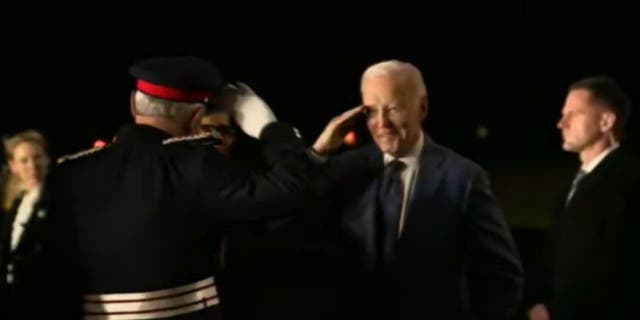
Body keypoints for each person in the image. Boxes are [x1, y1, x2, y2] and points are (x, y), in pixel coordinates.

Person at [41, 55, 311, 320]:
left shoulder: (71, 171)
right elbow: (289, 189)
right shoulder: (194, 164)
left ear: (134, 104)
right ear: (196, 118)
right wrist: (271, 128)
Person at [308, 60, 523, 320]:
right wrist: (317, 153)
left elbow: (502, 278)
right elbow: (291, 213)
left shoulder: (464, 179)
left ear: (422, 107)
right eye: (371, 111)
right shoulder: (345, 170)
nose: (382, 123)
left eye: (393, 108)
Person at [527, 76, 640, 320]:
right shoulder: (579, 181)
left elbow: (618, 272)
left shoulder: (627, 185)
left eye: (574, 114)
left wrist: (557, 312)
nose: (561, 124)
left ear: (606, 121)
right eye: (562, 114)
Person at [0, 129, 51, 319]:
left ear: (47, 159)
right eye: (24, 160)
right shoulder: (16, 203)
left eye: (37, 157)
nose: (32, 166)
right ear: (13, 166)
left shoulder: (59, 201)